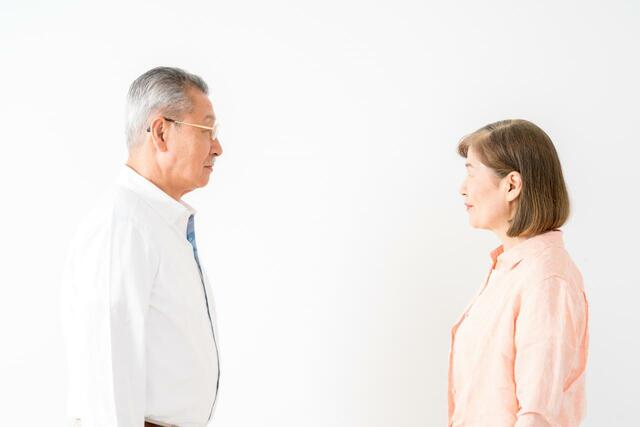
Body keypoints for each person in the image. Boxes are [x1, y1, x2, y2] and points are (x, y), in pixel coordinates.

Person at [61, 66, 223, 427]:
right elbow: (107, 373)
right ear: (161, 132)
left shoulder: (154, 224)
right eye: (207, 130)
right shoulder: (123, 225)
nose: (218, 148)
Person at [449, 119, 589, 426]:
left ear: (512, 185)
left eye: (471, 172)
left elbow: (537, 415)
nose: (462, 188)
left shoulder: (547, 280)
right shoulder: (511, 270)